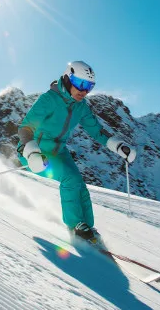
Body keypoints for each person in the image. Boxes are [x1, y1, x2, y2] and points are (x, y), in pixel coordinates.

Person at [16, 61, 136, 246]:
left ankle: (87, 226)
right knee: (70, 181)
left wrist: (117, 145)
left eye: (89, 87)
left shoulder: (81, 107)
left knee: (79, 185)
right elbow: (25, 128)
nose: (84, 91)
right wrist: (32, 153)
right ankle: (76, 228)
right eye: (80, 84)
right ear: (67, 78)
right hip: (35, 152)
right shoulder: (49, 99)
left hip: (58, 151)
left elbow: (97, 131)